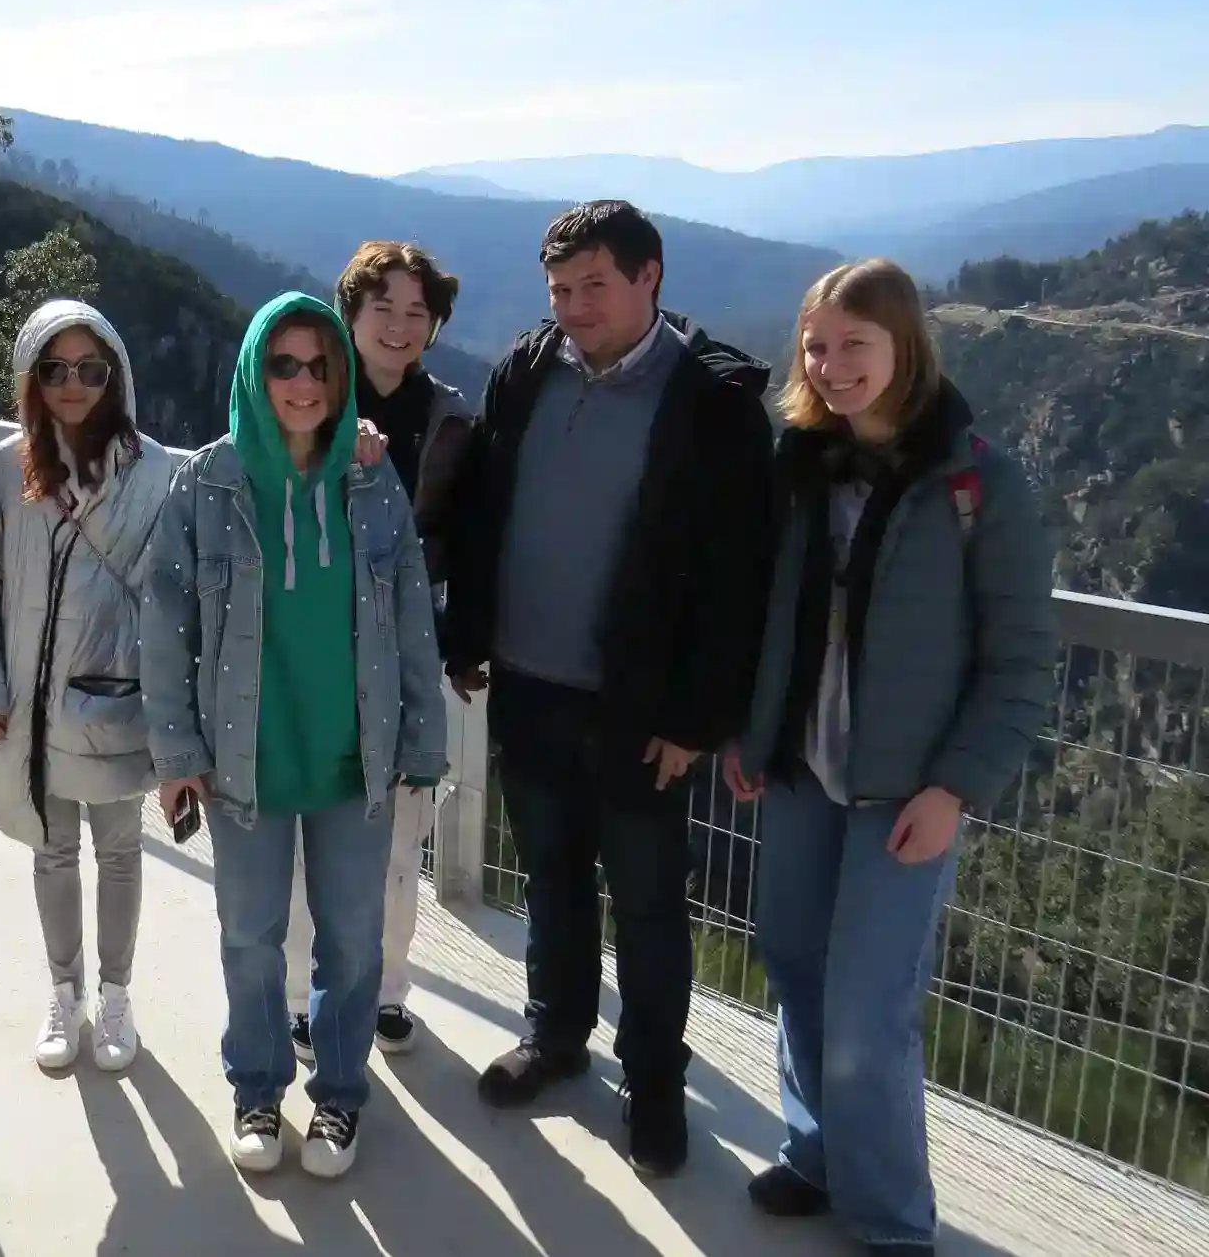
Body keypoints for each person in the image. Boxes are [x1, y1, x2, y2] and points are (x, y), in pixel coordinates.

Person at [725, 259, 1053, 1256]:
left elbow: (1019, 659)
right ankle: (817, 1151)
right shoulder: (803, 465)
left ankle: (890, 1224)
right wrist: (756, 732)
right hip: (801, 772)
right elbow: (771, 618)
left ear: (902, 345)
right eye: (815, 347)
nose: (829, 367)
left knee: (868, 1013)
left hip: (902, 791)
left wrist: (955, 787)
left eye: (852, 345)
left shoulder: (976, 485)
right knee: (791, 964)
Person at [444, 199, 775, 1176]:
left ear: (649, 277)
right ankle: (554, 1038)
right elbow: (480, 516)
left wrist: (694, 718)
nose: (573, 306)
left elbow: (736, 578)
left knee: (645, 902)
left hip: (641, 709)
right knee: (548, 876)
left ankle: (654, 1082)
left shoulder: (710, 402)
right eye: (558, 288)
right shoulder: (524, 372)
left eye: (593, 284)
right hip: (531, 683)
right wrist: (470, 638)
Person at [143, 292, 447, 1180]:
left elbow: (411, 620)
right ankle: (257, 1088)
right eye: (285, 365)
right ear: (253, 373)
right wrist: (177, 760)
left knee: (355, 942)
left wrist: (423, 747)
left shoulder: (370, 477)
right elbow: (165, 628)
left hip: (357, 758)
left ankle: (340, 1098)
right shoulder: (208, 480)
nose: (306, 383)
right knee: (252, 938)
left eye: (322, 365)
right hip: (246, 763)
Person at [0, 300, 173, 1074]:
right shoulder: (9, 470)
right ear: (31, 376)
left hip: (116, 704)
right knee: (50, 850)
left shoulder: (156, 474)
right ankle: (64, 992)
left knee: (117, 851)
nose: (74, 385)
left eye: (91, 369)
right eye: (55, 368)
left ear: (115, 377)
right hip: (28, 705)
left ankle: (116, 995)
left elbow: (180, 598)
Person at [284, 242, 472, 1062]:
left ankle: (390, 989)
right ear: (349, 313)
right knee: (304, 840)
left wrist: (464, 643)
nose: (400, 327)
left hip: (405, 653)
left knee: (400, 837)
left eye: (417, 312)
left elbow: (472, 537)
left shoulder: (451, 420)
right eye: (383, 309)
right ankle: (298, 998)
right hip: (313, 652)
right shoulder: (303, 403)